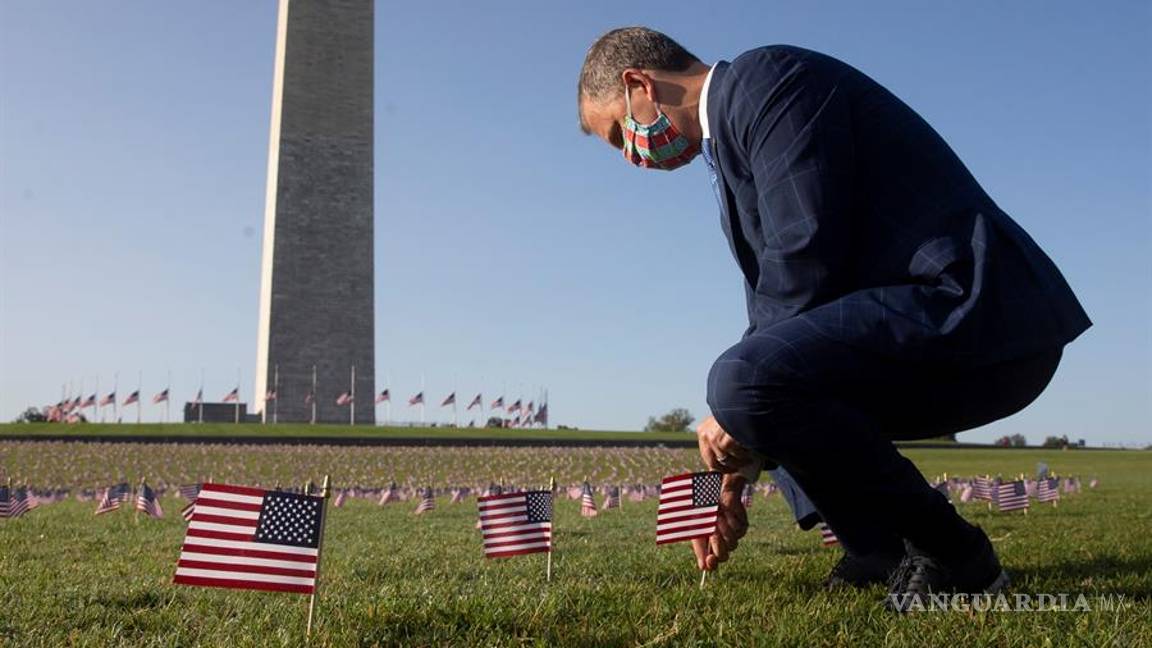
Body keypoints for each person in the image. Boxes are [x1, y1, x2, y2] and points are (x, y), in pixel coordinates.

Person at [577, 27, 1090, 607]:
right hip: (912, 322)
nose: (632, 156)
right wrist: (740, 464)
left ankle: (955, 554)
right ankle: (878, 547)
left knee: (741, 380)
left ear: (639, 84)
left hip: (972, 309)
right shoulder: (734, 143)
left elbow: (806, 253)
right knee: (751, 379)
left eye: (620, 133)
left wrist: (734, 409)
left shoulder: (764, 82)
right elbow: (776, 317)